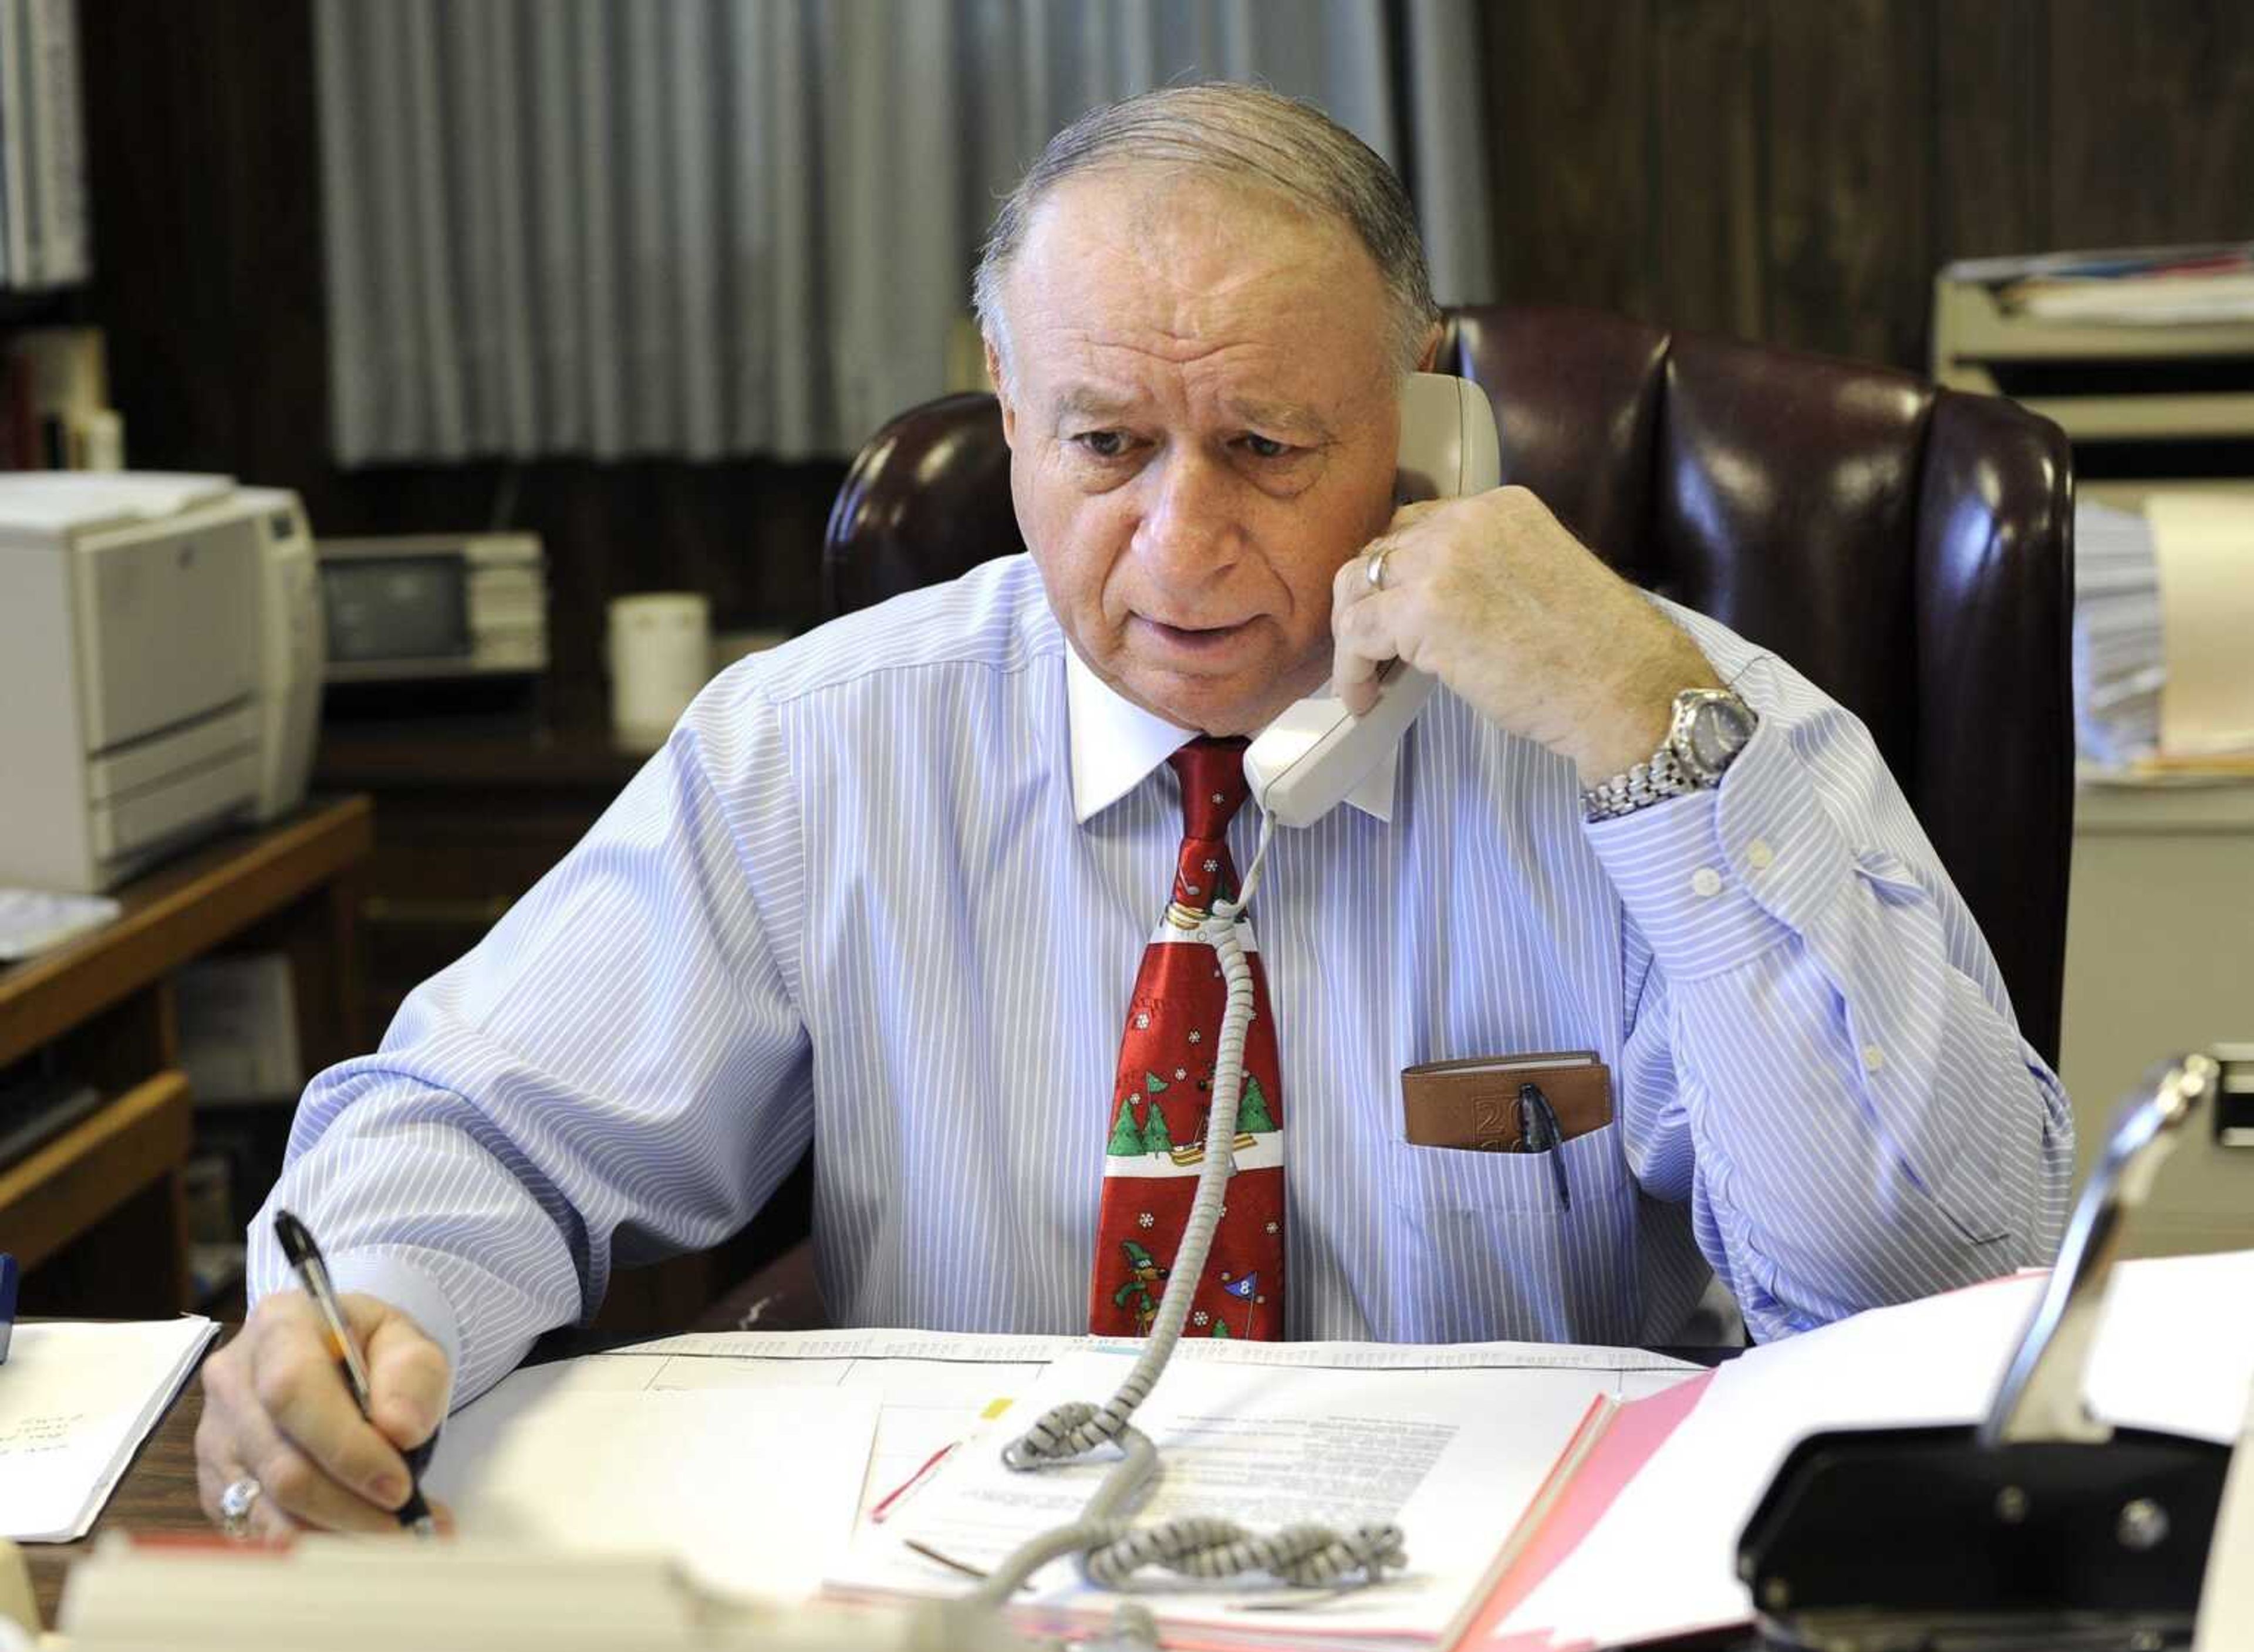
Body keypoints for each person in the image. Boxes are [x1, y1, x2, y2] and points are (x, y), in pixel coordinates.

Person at [196, 83, 2071, 1539]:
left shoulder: (1677, 723)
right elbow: (483, 1124)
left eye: (1266, 447)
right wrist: (360, 1306)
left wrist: (1644, 736)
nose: (1179, 547)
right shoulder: (821, 748)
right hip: (964, 1628)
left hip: (1518, 1648)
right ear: (1002, 401)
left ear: (1424, 421)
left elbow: (1924, 1291)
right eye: (1105, 444)